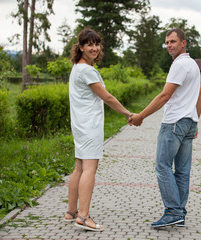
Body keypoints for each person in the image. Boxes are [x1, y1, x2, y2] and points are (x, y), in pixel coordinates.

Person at [128, 28, 201, 228]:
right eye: (167, 42)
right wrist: (195, 120)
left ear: (183, 43)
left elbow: (164, 96)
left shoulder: (179, 65)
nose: (169, 45)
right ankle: (180, 212)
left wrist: (140, 116)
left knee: (162, 166)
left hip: (174, 123)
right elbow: (199, 95)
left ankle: (173, 211)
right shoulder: (193, 64)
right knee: (182, 171)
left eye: (173, 41)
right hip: (188, 123)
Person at [63, 28, 132, 232]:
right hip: (89, 126)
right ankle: (84, 216)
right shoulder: (86, 70)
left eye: (97, 44)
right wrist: (128, 114)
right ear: (81, 47)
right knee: (89, 169)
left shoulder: (78, 67)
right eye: (89, 44)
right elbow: (108, 97)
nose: (94, 48)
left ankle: (71, 211)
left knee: (79, 167)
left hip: (80, 125)